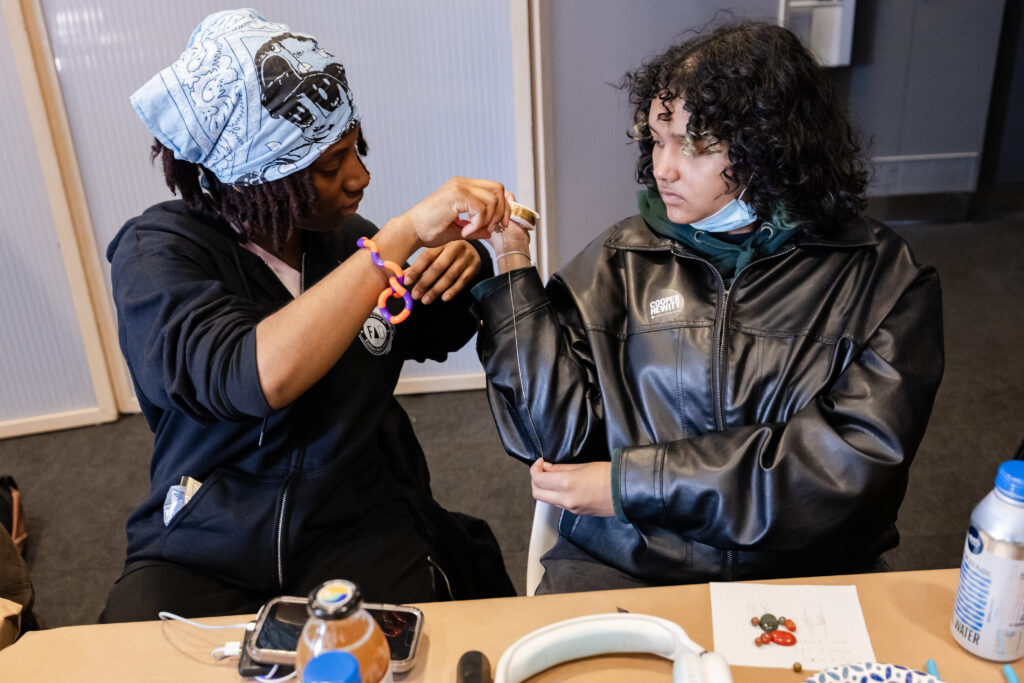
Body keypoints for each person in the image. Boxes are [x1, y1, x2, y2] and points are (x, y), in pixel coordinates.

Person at [474, 21, 944, 593]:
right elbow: (553, 443)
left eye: (694, 144)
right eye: (656, 138)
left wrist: (632, 485)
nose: (662, 168)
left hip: (808, 571)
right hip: (626, 564)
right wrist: (512, 268)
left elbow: (841, 470)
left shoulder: (885, 279)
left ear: (770, 145)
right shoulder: (620, 258)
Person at [101, 9, 514, 622]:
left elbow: (437, 328)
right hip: (205, 536)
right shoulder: (157, 253)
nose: (360, 178)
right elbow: (254, 376)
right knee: (127, 656)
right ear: (252, 179)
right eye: (328, 166)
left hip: (357, 517)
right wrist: (398, 239)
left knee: (413, 645)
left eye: (356, 149)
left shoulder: (350, 245)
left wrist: (465, 263)